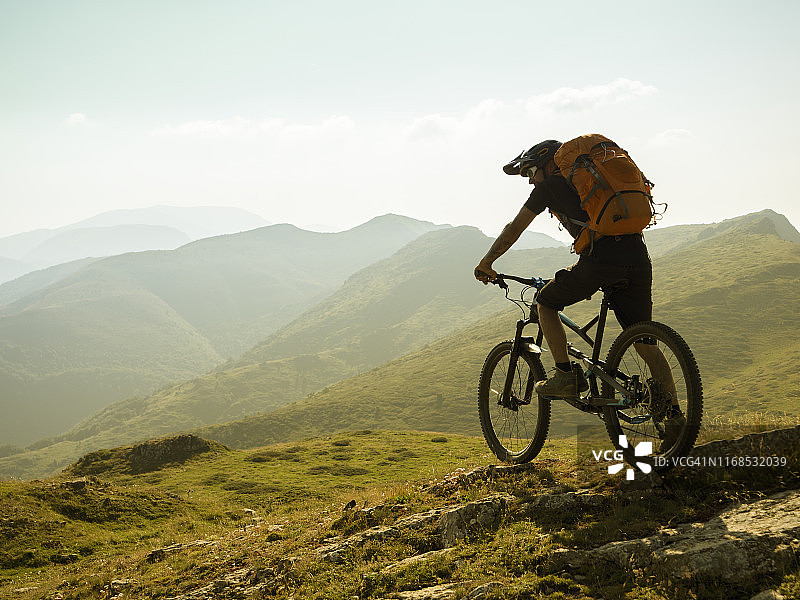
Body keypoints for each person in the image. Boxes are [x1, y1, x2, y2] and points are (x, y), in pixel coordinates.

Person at [473, 139, 685, 449]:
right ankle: (675, 420)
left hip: (601, 260)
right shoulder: (592, 182)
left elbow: (514, 227)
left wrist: (487, 262)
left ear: (548, 165)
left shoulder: (551, 187)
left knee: (545, 301)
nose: (531, 179)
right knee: (645, 342)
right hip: (637, 256)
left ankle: (565, 374)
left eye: (531, 171)